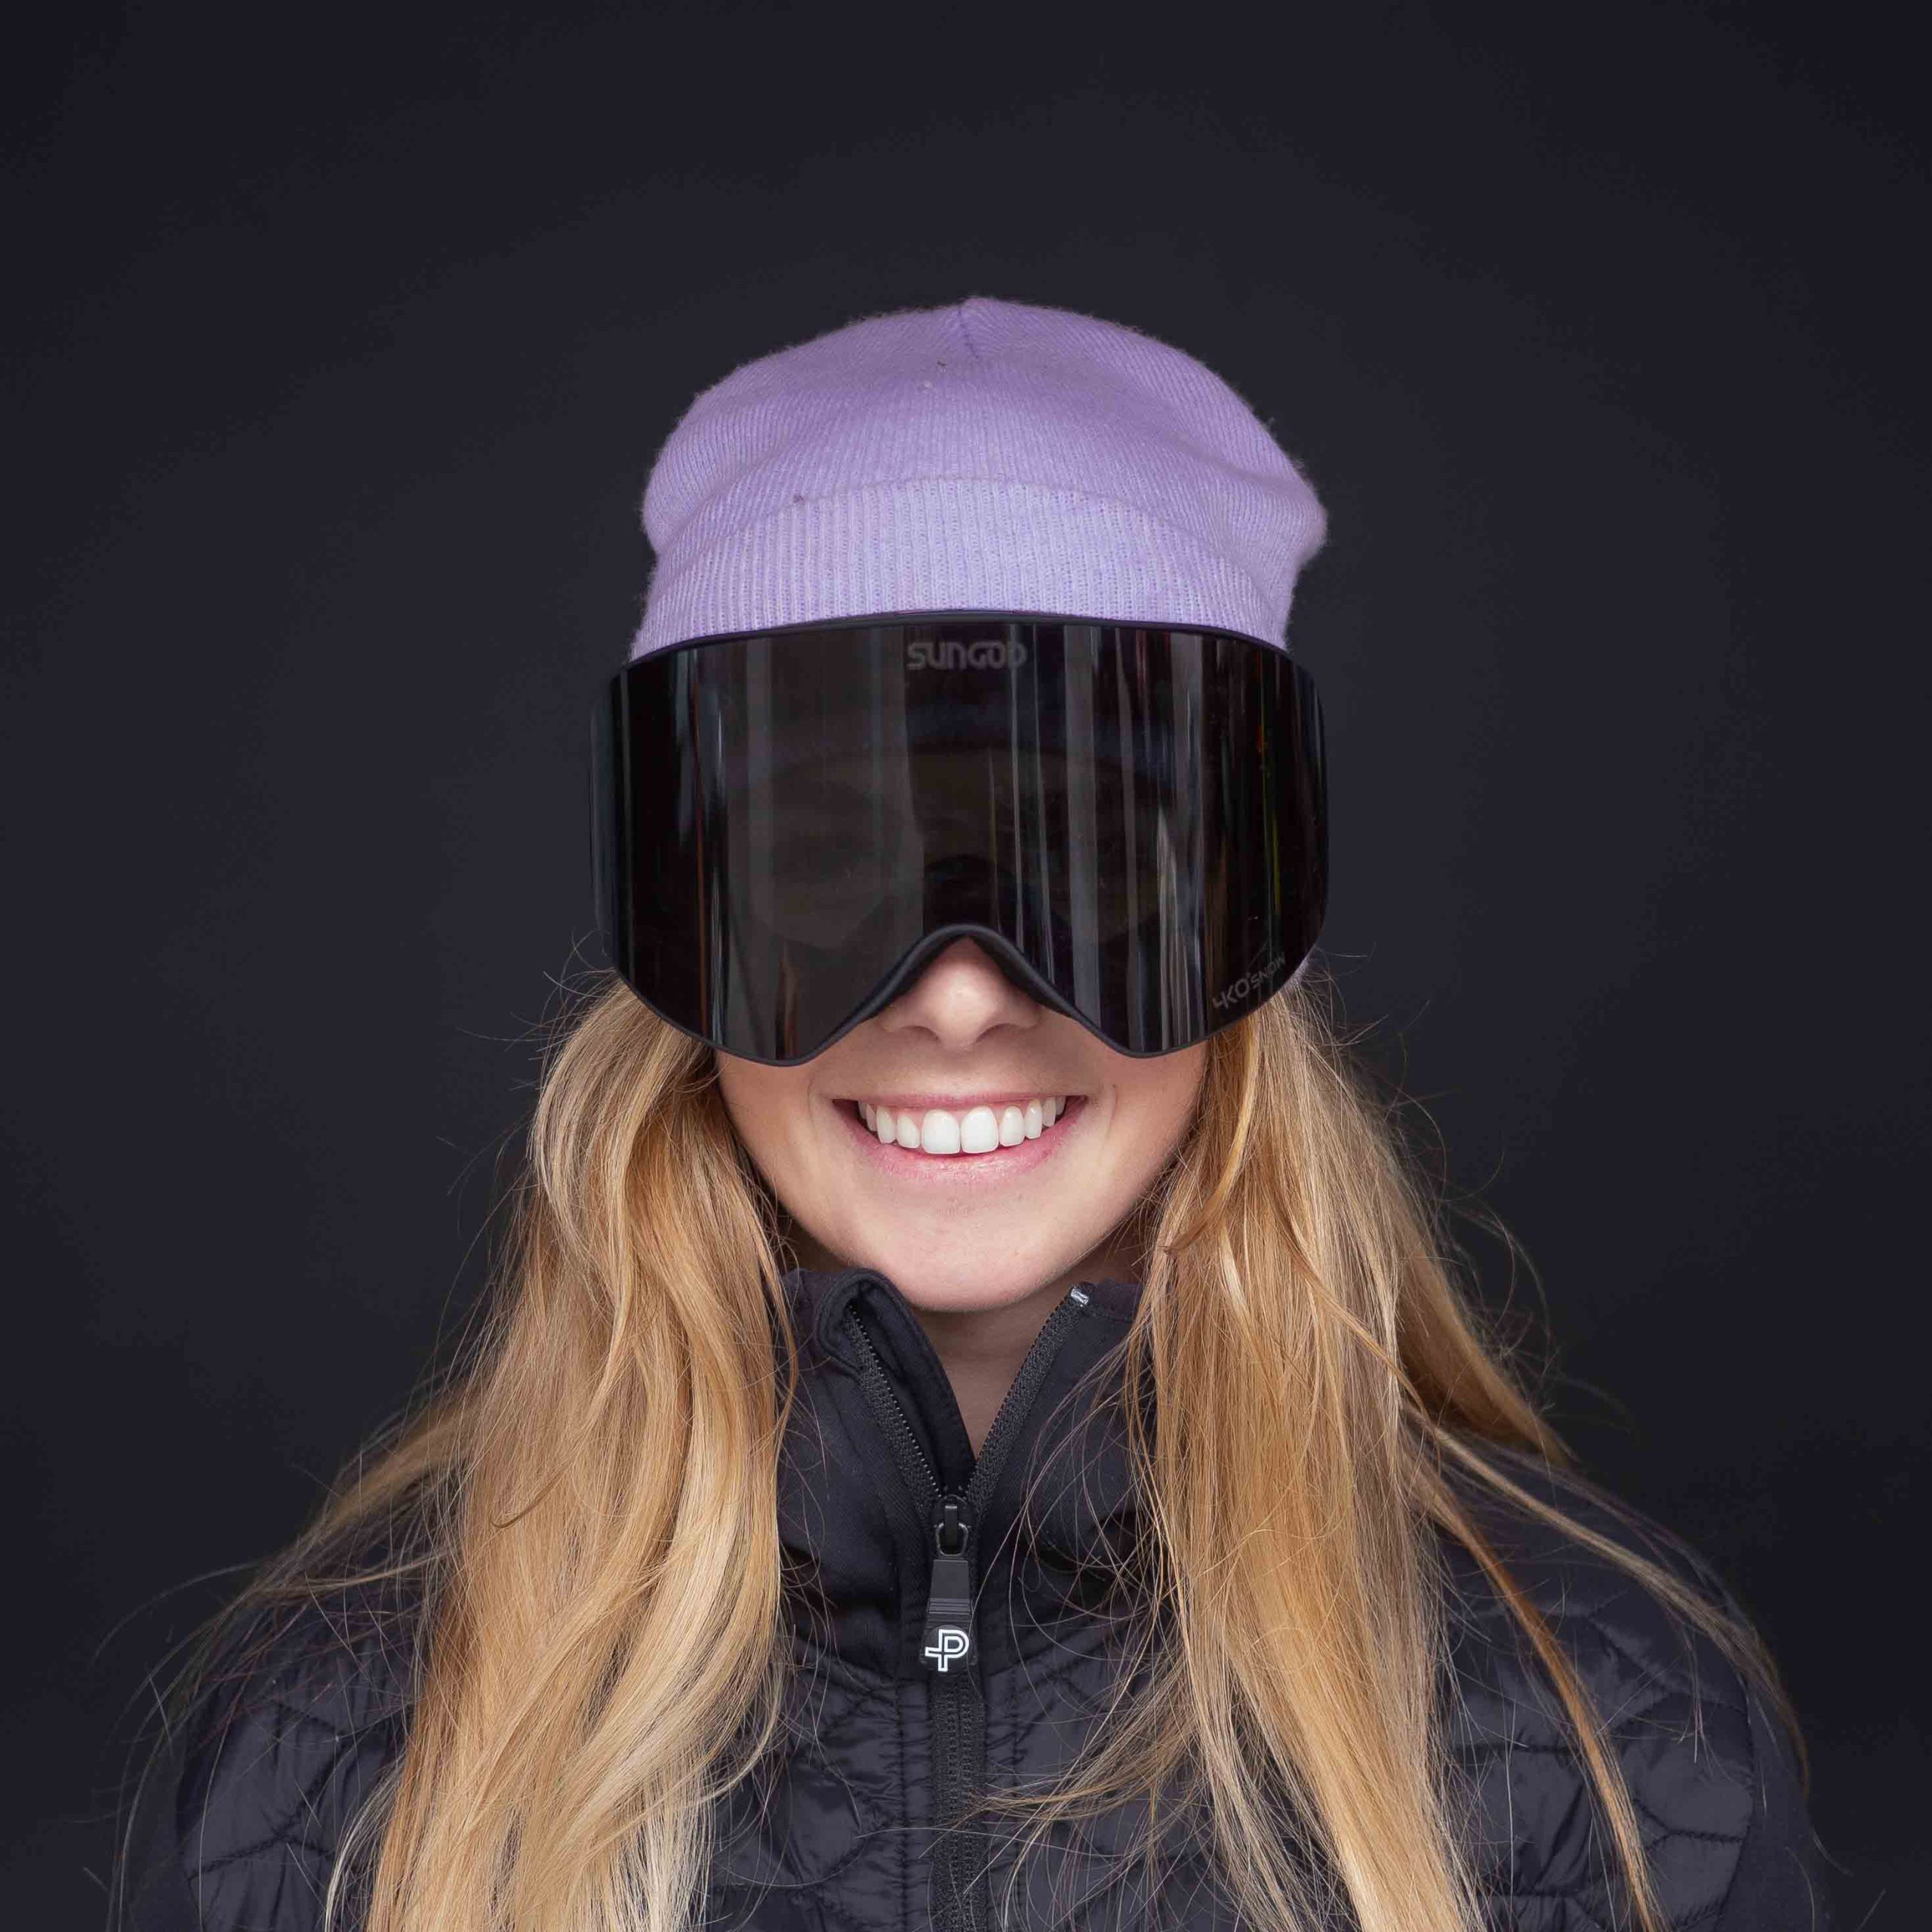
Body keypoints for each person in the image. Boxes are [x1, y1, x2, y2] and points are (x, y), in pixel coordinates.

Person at [115, 297, 1832, 1932]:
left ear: (1241, 929)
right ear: (687, 929)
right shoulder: (348, 1737)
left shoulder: (1591, 1716)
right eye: (828, 866)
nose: (955, 999)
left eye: (1084, 866)